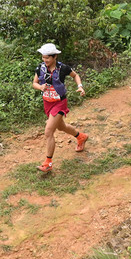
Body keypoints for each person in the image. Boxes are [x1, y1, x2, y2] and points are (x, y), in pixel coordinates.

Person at [32, 42, 89, 172]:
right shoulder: (40, 68)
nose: (45, 60)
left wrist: (80, 87)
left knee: (48, 131)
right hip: (47, 103)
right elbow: (34, 83)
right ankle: (81, 137)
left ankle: (48, 163)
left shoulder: (63, 68)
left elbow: (75, 76)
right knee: (61, 126)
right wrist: (40, 87)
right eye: (43, 57)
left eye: (47, 58)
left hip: (59, 102)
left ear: (54, 57)